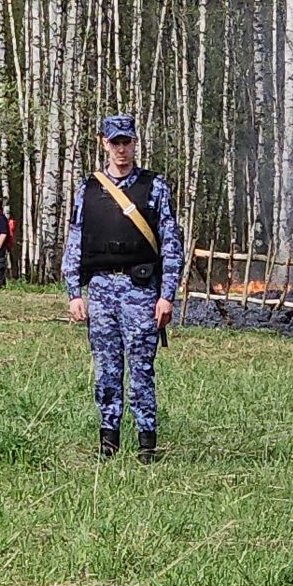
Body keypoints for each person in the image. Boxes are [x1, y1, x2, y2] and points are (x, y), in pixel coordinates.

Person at [62, 114, 184, 463]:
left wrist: (166, 296)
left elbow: (171, 244)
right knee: (106, 369)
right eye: (114, 142)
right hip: (101, 291)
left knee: (141, 370)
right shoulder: (88, 189)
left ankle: (147, 444)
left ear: (134, 143)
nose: (121, 149)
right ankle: (108, 441)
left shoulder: (154, 187)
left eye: (126, 142)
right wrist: (74, 293)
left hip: (140, 291)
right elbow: (75, 241)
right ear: (104, 143)